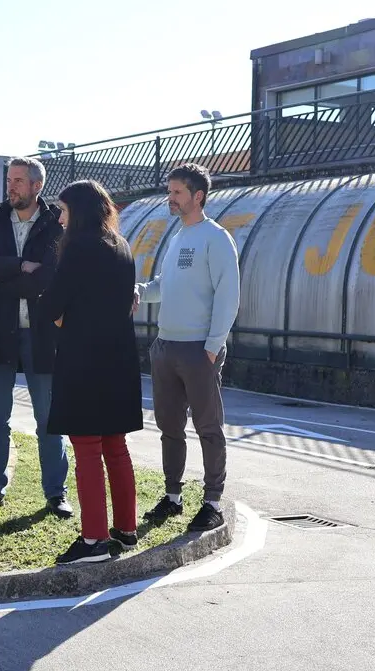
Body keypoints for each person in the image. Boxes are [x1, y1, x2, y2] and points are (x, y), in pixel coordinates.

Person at [38, 180, 144, 565]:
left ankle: (95, 540)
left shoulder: (79, 247)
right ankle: (126, 530)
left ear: (79, 210)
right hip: (118, 359)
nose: (60, 218)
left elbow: (52, 303)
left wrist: (59, 312)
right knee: (115, 445)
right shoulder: (121, 244)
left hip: (84, 361)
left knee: (86, 448)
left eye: (64, 210)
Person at [134, 163, 240, 533]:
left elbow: (229, 296)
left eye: (177, 192)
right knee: (169, 427)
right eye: (170, 191)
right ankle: (172, 497)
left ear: (198, 196)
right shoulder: (177, 236)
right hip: (166, 345)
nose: (171, 198)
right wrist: (142, 292)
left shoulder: (216, 238)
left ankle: (212, 502)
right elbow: (167, 283)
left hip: (198, 349)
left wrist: (211, 348)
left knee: (208, 427)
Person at [0, 157, 72, 519]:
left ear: (37, 185)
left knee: (49, 420)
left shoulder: (55, 222)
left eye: (19, 181)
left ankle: (56, 494)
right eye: (9, 179)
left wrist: (5, 273)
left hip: (43, 334)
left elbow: (55, 274)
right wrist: (20, 266)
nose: (11, 186)